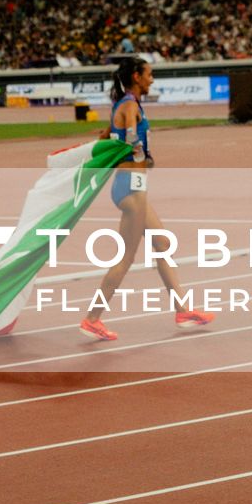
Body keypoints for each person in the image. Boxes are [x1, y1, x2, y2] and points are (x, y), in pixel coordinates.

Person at [80, 56, 214, 342]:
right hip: (130, 187)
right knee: (125, 259)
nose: (153, 78)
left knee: (162, 243)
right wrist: (142, 155)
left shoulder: (126, 104)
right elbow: (129, 137)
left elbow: (106, 137)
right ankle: (92, 318)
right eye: (149, 74)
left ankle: (182, 309)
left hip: (133, 186)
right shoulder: (129, 105)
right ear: (137, 77)